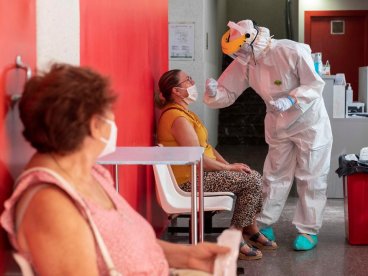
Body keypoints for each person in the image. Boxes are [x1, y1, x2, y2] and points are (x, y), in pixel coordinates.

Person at [0, 64, 230, 275]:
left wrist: (189, 257)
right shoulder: (51, 205)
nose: (113, 120)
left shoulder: (90, 173)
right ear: (93, 124)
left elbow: (121, 241)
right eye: (109, 112)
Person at [203, 19, 333, 251]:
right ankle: (264, 223)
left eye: (241, 49)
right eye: (236, 52)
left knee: (310, 175)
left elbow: (315, 85)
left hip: (309, 123)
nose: (239, 55)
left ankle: (308, 230)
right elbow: (228, 91)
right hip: (278, 123)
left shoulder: (290, 50)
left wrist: (292, 98)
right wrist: (215, 92)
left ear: (252, 40)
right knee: (274, 175)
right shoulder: (246, 61)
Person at [155, 69, 277, 260]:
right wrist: (229, 169)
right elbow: (197, 158)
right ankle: (236, 235)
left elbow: (206, 147)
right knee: (252, 180)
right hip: (190, 182)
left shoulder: (185, 113)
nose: (193, 82)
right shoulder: (176, 118)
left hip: (199, 175)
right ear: (176, 91)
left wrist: (230, 165)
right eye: (188, 80)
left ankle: (249, 228)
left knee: (248, 174)